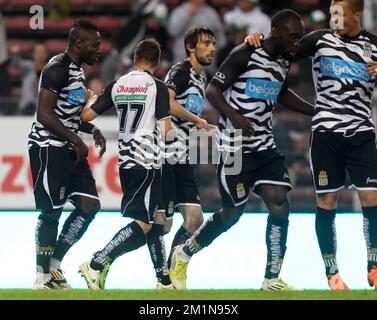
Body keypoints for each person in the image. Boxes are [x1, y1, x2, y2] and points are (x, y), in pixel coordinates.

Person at [169, 9, 315, 291]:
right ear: (277, 32)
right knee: (232, 214)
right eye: (294, 36)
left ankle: (271, 279)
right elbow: (213, 91)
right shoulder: (245, 53)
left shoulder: (284, 59)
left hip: (264, 145)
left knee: (280, 204)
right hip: (234, 146)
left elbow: (281, 92)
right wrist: (235, 117)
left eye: (300, 37)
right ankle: (184, 253)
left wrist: (314, 110)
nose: (298, 42)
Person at [247, 0, 377, 290]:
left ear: (357, 15)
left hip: (362, 132)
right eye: (331, 13)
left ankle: (374, 266)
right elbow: (279, 50)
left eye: (339, 13)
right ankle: (332, 274)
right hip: (326, 132)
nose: (334, 18)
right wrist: (255, 41)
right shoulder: (318, 40)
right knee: (327, 201)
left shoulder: (374, 45)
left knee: (372, 198)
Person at [78, 38, 175, 290]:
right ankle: (97, 263)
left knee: (157, 218)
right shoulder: (158, 86)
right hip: (148, 161)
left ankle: (164, 281)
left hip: (127, 161)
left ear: (134, 59)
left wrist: (89, 98)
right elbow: (166, 131)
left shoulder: (118, 83)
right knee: (144, 223)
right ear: (157, 62)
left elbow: (87, 115)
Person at [28, 19, 106, 289]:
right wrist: (77, 140)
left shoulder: (77, 72)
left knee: (89, 205)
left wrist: (92, 129)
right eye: (95, 44)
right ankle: (41, 277)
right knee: (51, 212)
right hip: (49, 148)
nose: (100, 49)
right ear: (79, 44)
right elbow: (44, 114)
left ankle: (54, 263)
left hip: (69, 148)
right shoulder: (56, 69)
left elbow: (67, 116)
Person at [158, 26, 216, 290]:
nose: (212, 48)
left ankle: (172, 275)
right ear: (190, 47)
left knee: (194, 220)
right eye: (205, 43)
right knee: (162, 225)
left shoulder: (201, 78)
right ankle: (100, 262)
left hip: (183, 155)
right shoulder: (180, 72)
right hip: (167, 154)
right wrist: (197, 120)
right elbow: (166, 103)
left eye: (213, 43)